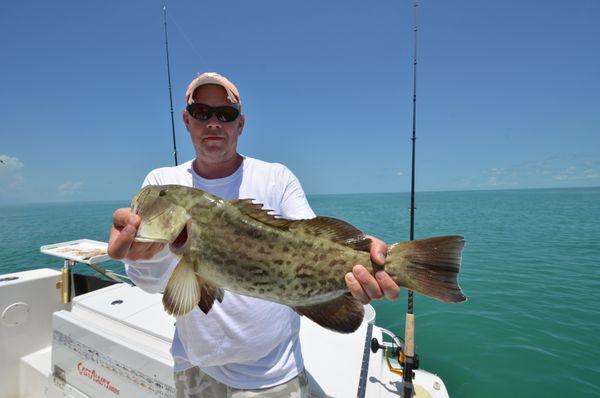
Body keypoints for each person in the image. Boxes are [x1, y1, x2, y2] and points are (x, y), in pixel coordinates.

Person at [108, 72, 400, 397]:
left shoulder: (276, 178)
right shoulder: (162, 179)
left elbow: (309, 237)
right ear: (187, 121)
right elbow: (155, 286)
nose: (214, 122)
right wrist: (139, 256)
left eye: (226, 114)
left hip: (273, 372)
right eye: (202, 113)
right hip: (195, 366)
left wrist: (358, 254)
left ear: (240, 124)